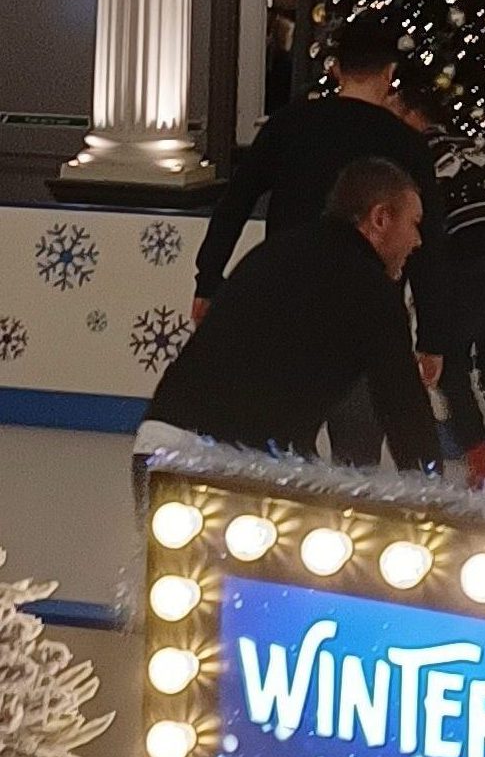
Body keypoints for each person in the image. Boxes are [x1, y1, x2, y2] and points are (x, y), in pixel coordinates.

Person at [192, 20, 450, 467]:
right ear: (389, 74)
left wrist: (209, 281)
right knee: (357, 454)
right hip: (365, 310)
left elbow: (234, 203)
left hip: (287, 305)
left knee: (276, 443)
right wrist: (433, 334)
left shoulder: (290, 124)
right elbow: (428, 242)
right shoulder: (405, 144)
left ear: (335, 70)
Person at [133, 158, 441, 510]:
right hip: (239, 470)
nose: (417, 240)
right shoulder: (373, 291)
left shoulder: (272, 252)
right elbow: (402, 405)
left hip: (162, 446)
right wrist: (434, 498)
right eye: (414, 224)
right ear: (381, 218)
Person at [387, 71, 485, 489]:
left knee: (449, 361)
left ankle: (479, 456)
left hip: (472, 255)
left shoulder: (411, 153)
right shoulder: (472, 147)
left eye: (395, 108)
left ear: (413, 114)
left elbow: (424, 226)